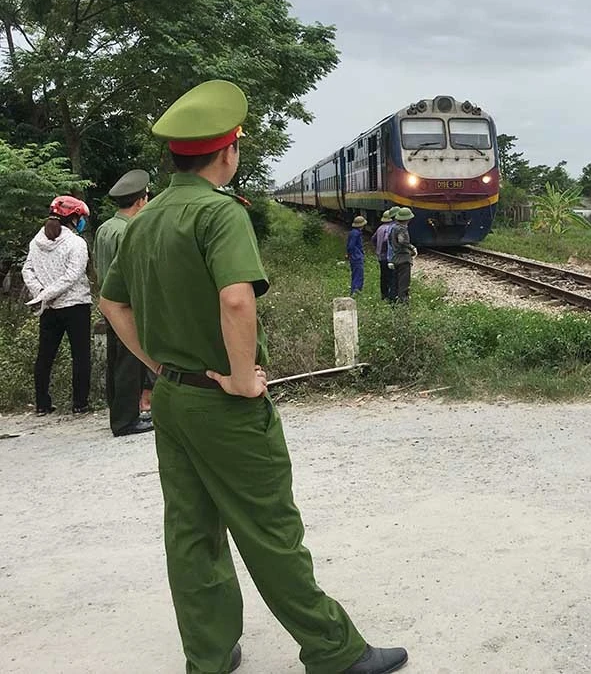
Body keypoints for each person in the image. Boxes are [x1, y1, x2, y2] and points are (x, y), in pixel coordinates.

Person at [98, 80, 407, 674]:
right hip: (223, 402)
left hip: (172, 399)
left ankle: (209, 656)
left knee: (191, 531)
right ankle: (333, 650)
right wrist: (242, 378)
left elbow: (113, 305)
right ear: (227, 152)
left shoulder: (144, 221)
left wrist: (159, 365)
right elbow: (237, 302)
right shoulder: (218, 213)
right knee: (268, 527)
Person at [94, 169, 155, 437]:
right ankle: (126, 420)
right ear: (141, 200)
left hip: (108, 304)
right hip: (128, 306)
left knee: (115, 360)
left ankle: (117, 410)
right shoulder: (132, 230)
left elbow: (98, 266)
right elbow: (137, 273)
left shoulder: (105, 228)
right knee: (130, 362)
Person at [22, 195, 93, 416]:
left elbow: (27, 270)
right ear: (73, 218)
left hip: (49, 308)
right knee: (80, 356)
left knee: (45, 356)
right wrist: (45, 295)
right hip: (76, 306)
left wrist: (42, 294)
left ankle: (42, 404)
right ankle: (80, 404)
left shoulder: (36, 242)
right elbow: (73, 275)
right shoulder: (77, 243)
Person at [387, 207, 417, 303]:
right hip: (404, 259)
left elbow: (390, 241)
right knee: (404, 284)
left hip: (395, 258)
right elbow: (402, 241)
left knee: (396, 283)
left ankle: (394, 303)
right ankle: (403, 304)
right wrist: (411, 248)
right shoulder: (401, 229)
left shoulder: (393, 228)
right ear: (408, 219)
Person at [370, 208, 396, 301]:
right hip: (387, 257)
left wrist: (377, 248)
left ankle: (383, 295)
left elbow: (373, 239)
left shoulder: (380, 228)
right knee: (390, 277)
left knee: (383, 276)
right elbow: (386, 240)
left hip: (380, 256)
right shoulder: (389, 228)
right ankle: (390, 297)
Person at [347, 215, 367, 296]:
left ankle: (354, 291)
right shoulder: (356, 234)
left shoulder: (352, 233)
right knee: (358, 275)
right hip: (357, 257)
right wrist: (356, 254)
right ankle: (356, 291)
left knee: (355, 274)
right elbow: (351, 246)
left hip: (354, 257)